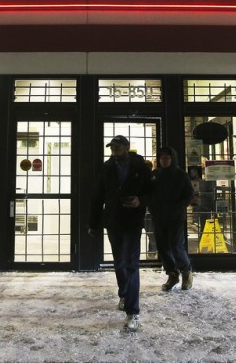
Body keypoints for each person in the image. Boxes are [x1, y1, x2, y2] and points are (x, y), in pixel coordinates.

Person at [88, 135, 153, 333]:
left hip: (132, 221)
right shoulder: (106, 167)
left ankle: (133, 312)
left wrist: (140, 201)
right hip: (113, 221)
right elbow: (97, 196)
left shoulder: (140, 167)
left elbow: (152, 191)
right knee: (119, 261)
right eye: (112, 148)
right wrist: (93, 223)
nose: (114, 150)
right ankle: (124, 293)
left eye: (118, 147)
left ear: (126, 147)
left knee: (131, 263)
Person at [149, 147, 194, 291]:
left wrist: (178, 207)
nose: (164, 161)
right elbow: (149, 193)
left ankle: (186, 272)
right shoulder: (155, 175)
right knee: (162, 246)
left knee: (175, 245)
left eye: (167, 158)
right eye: (162, 158)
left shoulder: (181, 175)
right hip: (159, 216)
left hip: (175, 217)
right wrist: (153, 207)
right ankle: (172, 274)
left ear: (172, 159)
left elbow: (189, 195)